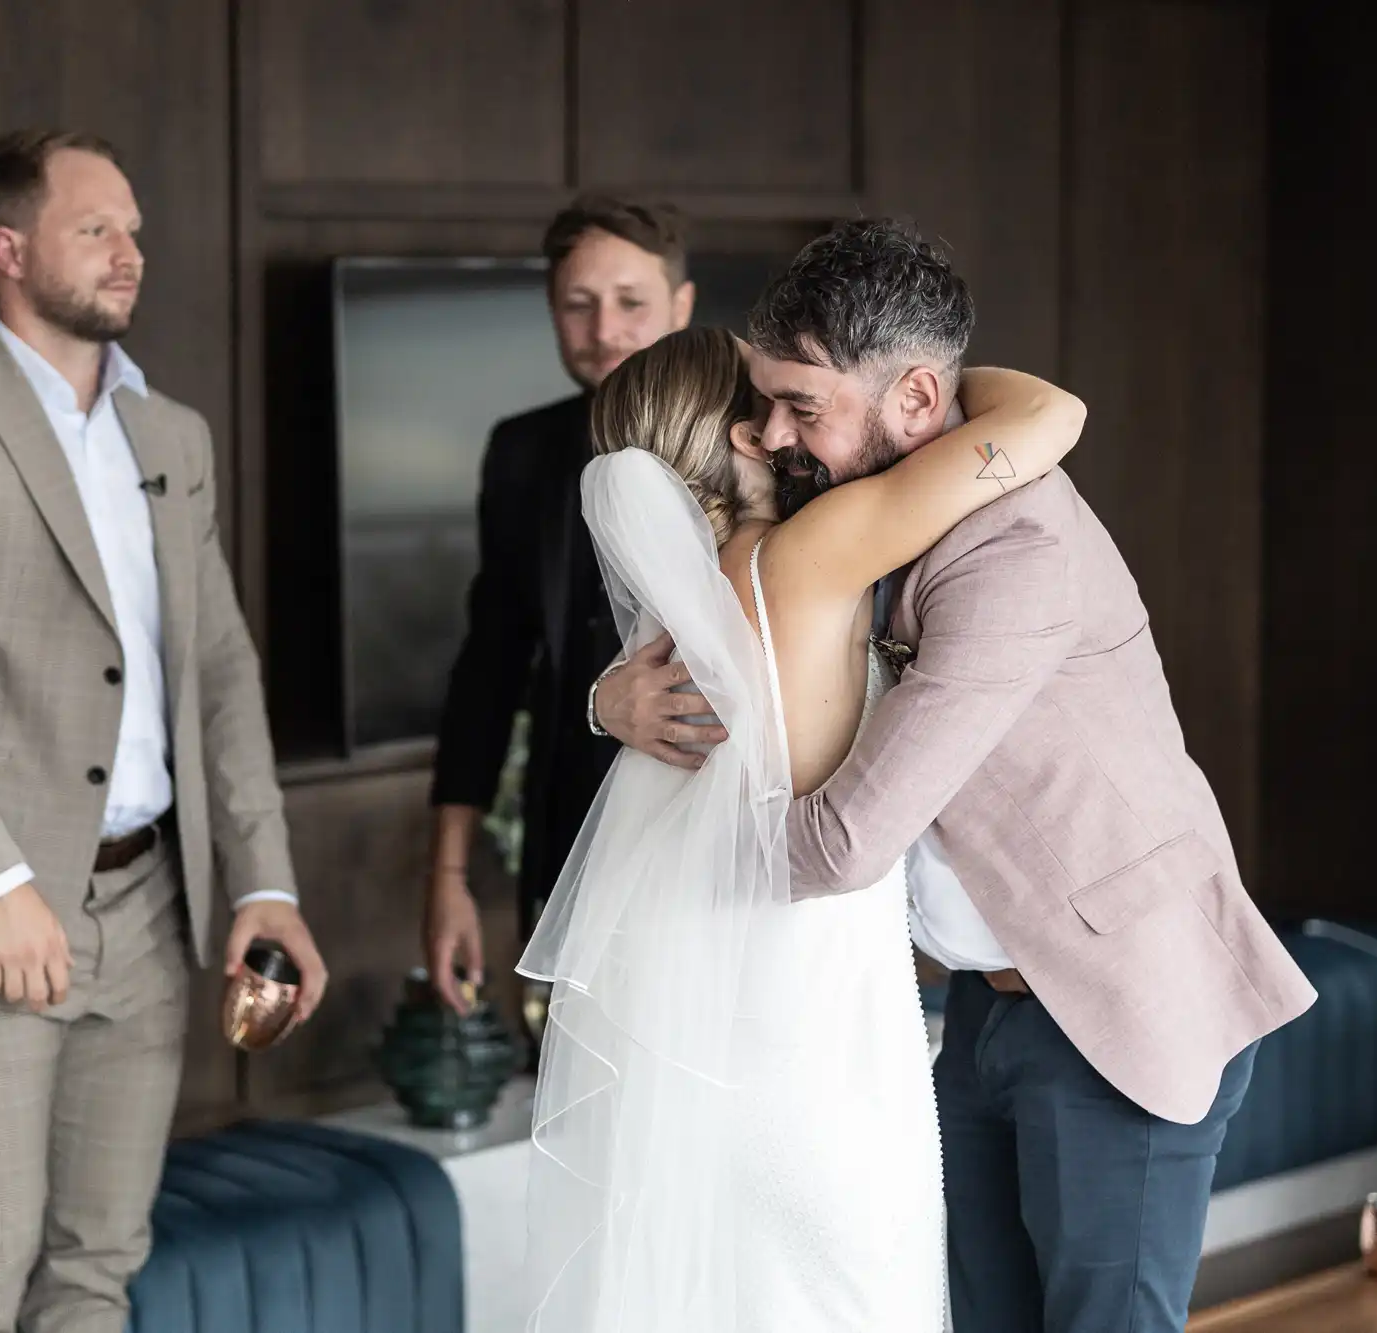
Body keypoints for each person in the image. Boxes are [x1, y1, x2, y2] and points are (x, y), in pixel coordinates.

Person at [593, 219, 1319, 1333]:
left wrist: (704, 886)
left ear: (919, 401)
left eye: (802, 408)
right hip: (976, 1008)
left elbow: (842, 841)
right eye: (766, 401)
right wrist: (608, 701)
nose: (771, 434)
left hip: (1108, 1007)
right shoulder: (851, 514)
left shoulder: (1007, 546)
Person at [0, 128, 328, 1333]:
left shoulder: (172, 437)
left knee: (98, 1270)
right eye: (95, 227)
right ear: (9, 248)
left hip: (150, 913)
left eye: (133, 227)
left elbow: (217, 667)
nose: (129, 250)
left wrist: (265, 881)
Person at [520, 304, 1088, 1330]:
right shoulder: (808, 554)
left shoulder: (669, 619)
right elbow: (1048, 415)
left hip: (710, 1039)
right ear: (747, 436)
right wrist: (918, 376)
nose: (796, 421)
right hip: (813, 1040)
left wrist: (604, 701)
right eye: (779, 401)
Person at [422, 195, 695, 1011]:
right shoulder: (522, 452)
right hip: (570, 840)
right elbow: (488, 669)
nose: (604, 329)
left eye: (631, 303)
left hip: (712, 849)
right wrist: (446, 874)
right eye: (578, 304)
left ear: (681, 306)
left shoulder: (758, 437)